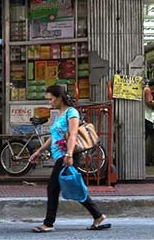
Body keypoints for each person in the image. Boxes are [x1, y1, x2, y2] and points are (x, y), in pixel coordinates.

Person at [29, 85, 110, 233]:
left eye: (51, 99)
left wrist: (69, 154)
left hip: (67, 154)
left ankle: (48, 223)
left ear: (59, 97)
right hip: (61, 154)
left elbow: (73, 134)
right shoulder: (60, 113)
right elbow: (54, 137)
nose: (49, 103)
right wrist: (39, 151)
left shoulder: (72, 113)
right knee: (73, 186)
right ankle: (97, 215)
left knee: (53, 188)